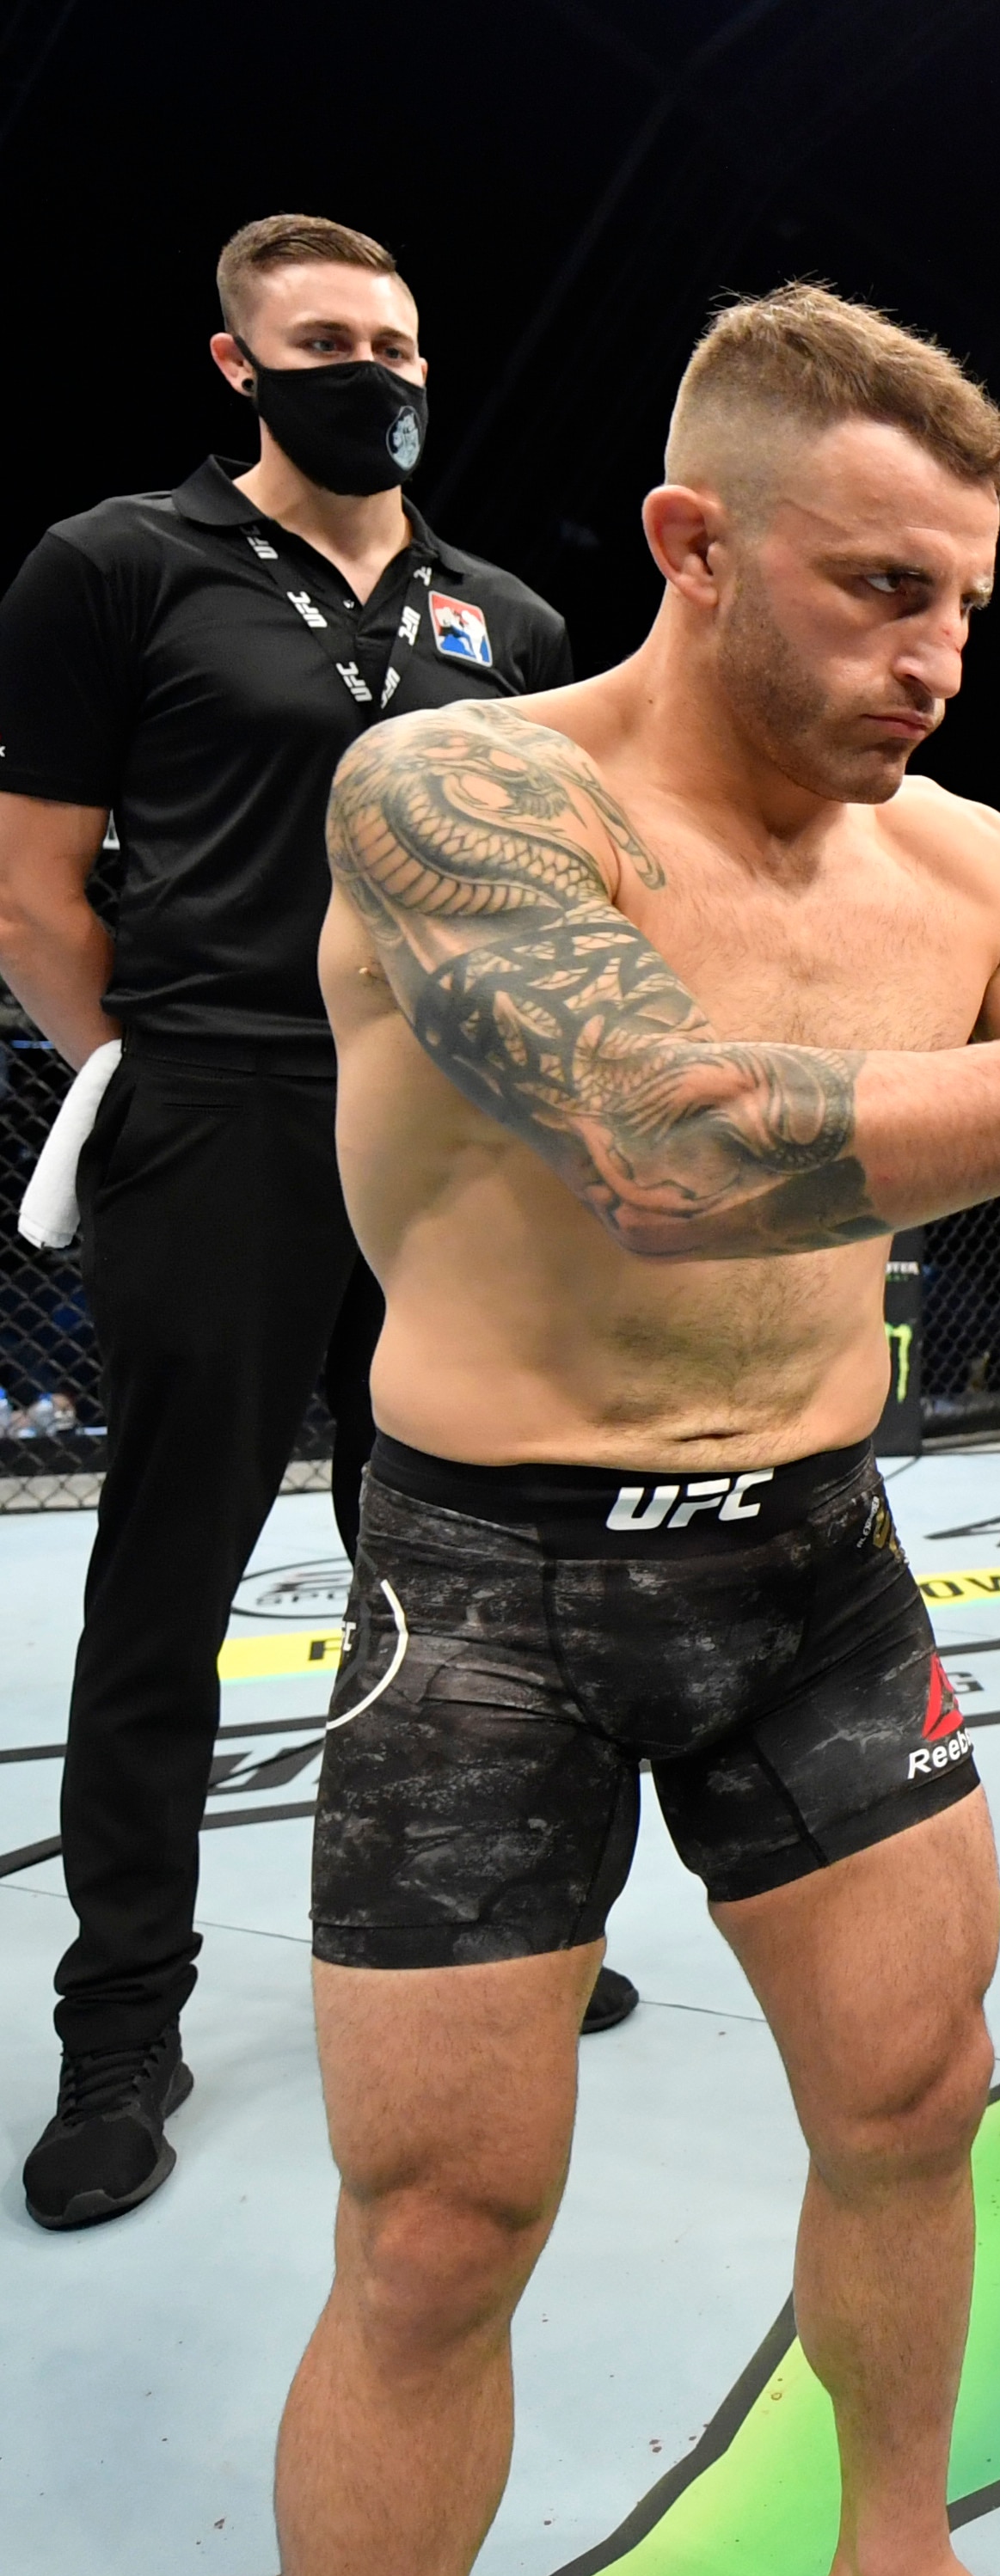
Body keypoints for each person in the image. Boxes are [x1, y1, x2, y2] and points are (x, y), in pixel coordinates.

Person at [274, 282, 1000, 2576]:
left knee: (910, 2102)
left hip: (810, 1562)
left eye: (965, 604)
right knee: (437, 2233)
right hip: (489, 1589)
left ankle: (897, 2563)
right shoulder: (461, 795)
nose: (938, 657)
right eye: (883, 587)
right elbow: (667, 1145)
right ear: (693, 543)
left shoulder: (970, 870)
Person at [0, 216, 599, 2234]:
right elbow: (31, 896)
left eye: (399, 341)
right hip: (226, 1106)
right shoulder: (116, 566)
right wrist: (154, 1070)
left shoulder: (506, 617)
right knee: (170, 1571)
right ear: (238, 363)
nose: (375, 371)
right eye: (328, 339)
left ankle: (494, 1923)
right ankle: (122, 2021)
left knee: (462, 1558)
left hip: (450, 1135)